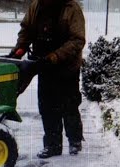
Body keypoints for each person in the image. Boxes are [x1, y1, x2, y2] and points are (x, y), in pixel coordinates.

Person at [9, 0, 85, 158]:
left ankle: (75, 141)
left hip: (67, 67)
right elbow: (27, 29)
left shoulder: (71, 8)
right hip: (44, 64)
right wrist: (19, 49)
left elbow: (77, 40)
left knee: (69, 105)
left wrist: (55, 56)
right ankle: (52, 145)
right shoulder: (36, 6)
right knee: (47, 106)